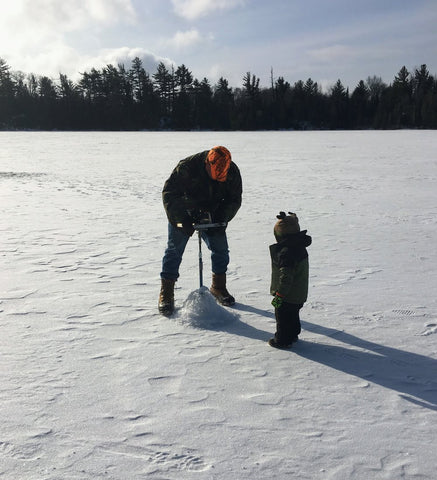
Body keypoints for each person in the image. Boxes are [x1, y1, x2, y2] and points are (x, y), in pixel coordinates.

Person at [159, 146, 242, 316]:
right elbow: (169, 194)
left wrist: (220, 217)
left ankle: (218, 287)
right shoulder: (187, 167)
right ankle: (166, 292)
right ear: (207, 164)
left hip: (212, 215)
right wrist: (181, 219)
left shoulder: (232, 171)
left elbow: (234, 199)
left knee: (221, 250)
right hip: (184, 214)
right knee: (174, 251)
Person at [269, 211, 312, 348]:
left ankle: (283, 340)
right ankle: (293, 334)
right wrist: (292, 219)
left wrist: (279, 295)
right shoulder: (299, 245)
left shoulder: (286, 253)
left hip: (287, 295)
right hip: (299, 294)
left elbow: (286, 277)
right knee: (293, 315)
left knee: (282, 316)